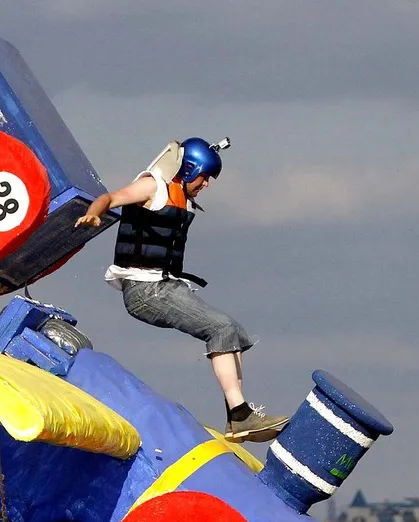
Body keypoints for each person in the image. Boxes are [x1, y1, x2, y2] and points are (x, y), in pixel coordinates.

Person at [74, 137, 288, 443]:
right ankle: (240, 415)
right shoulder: (153, 186)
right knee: (221, 328)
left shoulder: (181, 196)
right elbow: (110, 198)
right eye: (204, 178)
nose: (206, 185)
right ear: (189, 170)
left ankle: (238, 415)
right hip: (145, 291)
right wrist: (94, 213)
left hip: (167, 285)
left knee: (233, 332)